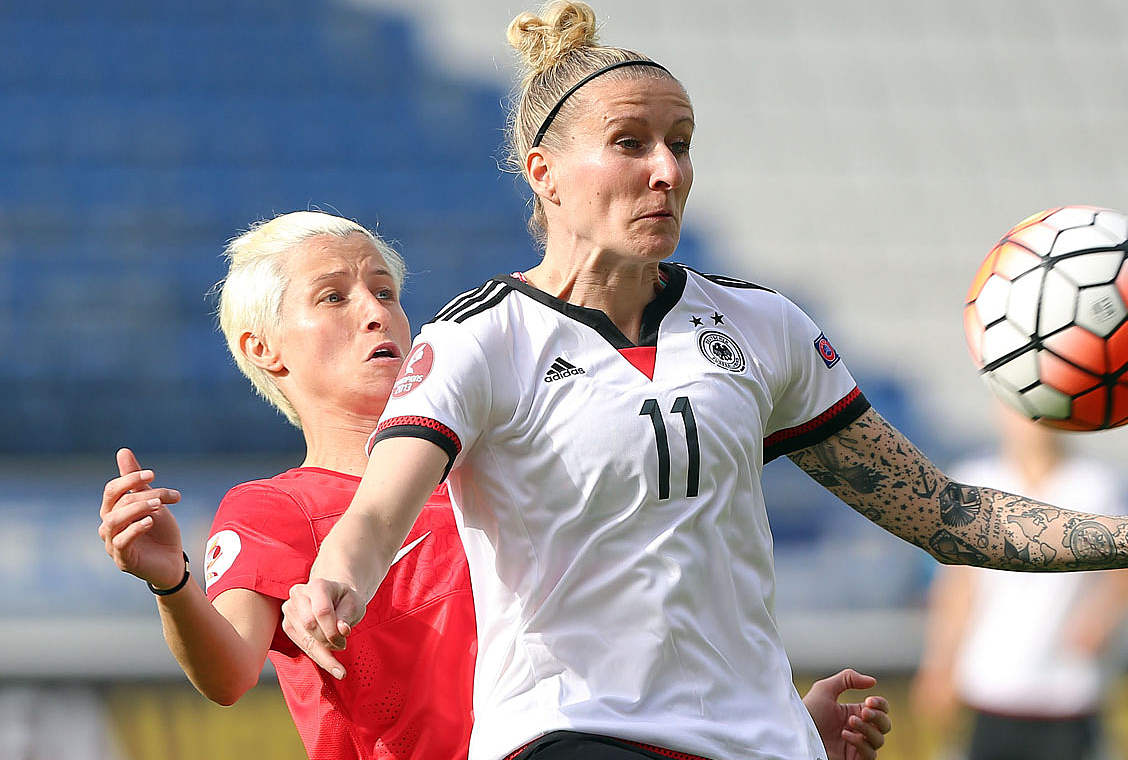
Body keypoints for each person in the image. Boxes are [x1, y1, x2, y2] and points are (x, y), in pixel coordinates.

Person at [280, 4, 1128, 760]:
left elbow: (945, 512)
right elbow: (380, 510)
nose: (667, 171)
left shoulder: (759, 325)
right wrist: (335, 580)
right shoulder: (481, 340)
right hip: (569, 733)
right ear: (544, 171)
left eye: (681, 145)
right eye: (631, 143)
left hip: (759, 740)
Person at [97, 211, 892, 760]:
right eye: (333, 297)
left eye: (385, 291)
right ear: (264, 348)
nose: (376, 313)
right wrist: (170, 581)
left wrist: (780, 730)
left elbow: (643, 630)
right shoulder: (277, 510)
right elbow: (229, 673)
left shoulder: (501, 465)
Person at [911, 406, 1128, 760]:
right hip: (989, 688)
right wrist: (940, 664)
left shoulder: (1094, 486)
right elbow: (957, 588)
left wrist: (1100, 620)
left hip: (1067, 694)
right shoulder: (975, 482)